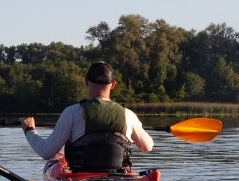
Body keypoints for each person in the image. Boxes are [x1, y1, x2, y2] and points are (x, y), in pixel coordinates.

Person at [20, 62, 153, 173]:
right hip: (117, 179)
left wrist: (29, 130)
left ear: (86, 82)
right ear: (113, 85)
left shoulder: (72, 112)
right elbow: (147, 147)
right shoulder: (128, 115)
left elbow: (46, 152)